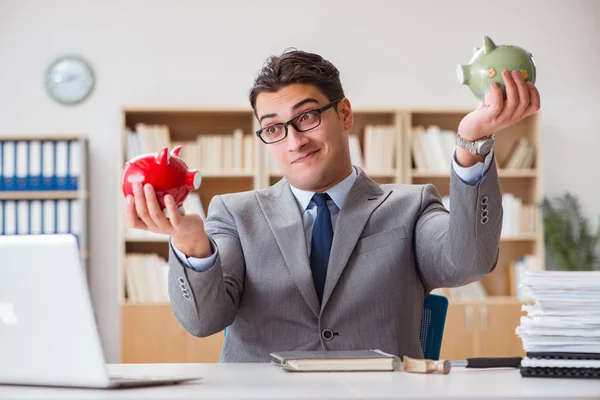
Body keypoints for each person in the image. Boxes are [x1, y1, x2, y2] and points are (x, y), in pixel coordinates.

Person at [125, 50, 540, 362]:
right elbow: (203, 321)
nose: (294, 141)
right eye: (273, 128)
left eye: (306, 117)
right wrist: (191, 243)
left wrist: (470, 146)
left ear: (344, 114)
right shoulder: (235, 214)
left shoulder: (410, 207)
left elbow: (469, 260)